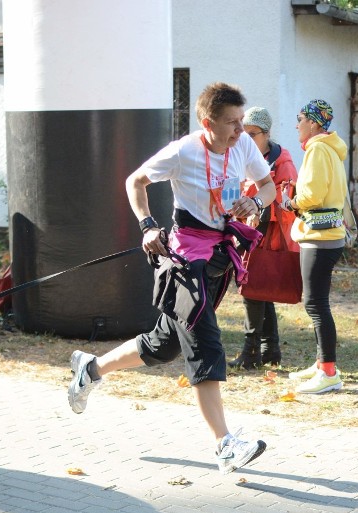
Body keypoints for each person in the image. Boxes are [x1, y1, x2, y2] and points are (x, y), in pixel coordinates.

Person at [67, 82, 277, 475]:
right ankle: (225, 444)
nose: (239, 131)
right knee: (205, 342)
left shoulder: (243, 147)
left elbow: (267, 187)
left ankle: (90, 370)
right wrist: (147, 225)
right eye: (231, 123)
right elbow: (135, 182)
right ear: (206, 122)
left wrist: (255, 201)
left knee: (163, 345)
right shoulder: (183, 151)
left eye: (241, 122)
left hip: (218, 256)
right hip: (184, 260)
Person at [282, 99, 348, 394]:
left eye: (300, 118)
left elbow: (312, 193)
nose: (297, 124)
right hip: (327, 235)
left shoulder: (318, 149)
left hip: (318, 237)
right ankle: (322, 364)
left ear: (314, 122)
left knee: (315, 304)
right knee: (316, 302)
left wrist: (291, 201)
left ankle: (329, 373)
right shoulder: (328, 148)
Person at [229, 106, 299, 369]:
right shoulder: (241, 154)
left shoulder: (283, 162)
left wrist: (258, 206)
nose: (245, 139)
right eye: (242, 133)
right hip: (246, 232)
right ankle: (270, 349)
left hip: (268, 236)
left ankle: (251, 353)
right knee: (260, 291)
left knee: (252, 290)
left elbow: (287, 200)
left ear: (267, 134)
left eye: (252, 134)